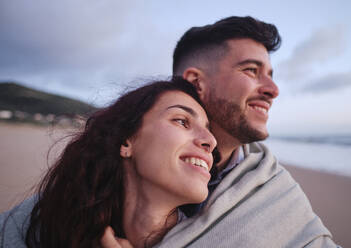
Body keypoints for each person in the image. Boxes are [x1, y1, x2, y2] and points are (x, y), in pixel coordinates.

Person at [153, 16, 338, 247]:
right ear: (195, 82)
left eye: (270, 75)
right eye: (252, 70)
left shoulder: (274, 187)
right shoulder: (113, 170)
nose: (273, 90)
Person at [0, 77, 217, 248]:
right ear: (126, 141)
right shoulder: (40, 221)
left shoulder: (217, 239)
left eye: (208, 130)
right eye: (181, 121)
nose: (211, 141)